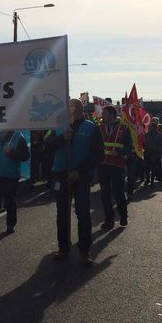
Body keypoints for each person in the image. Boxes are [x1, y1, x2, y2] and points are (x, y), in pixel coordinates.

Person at [45, 99, 104, 266]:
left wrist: (80, 171)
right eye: (68, 104)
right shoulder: (57, 127)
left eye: (73, 104)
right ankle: (63, 247)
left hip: (81, 176)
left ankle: (85, 250)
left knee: (83, 213)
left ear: (79, 108)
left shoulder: (91, 128)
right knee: (62, 213)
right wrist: (62, 138)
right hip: (61, 175)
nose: (69, 106)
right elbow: (46, 146)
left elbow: (99, 154)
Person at [98, 105, 132, 229]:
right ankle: (109, 220)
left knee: (118, 192)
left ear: (112, 115)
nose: (103, 116)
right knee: (105, 194)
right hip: (103, 165)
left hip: (117, 165)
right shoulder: (99, 127)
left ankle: (123, 216)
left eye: (105, 114)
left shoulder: (124, 128)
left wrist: (118, 152)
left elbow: (129, 148)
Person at [144, 119, 162, 187]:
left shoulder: (159, 135)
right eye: (149, 127)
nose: (149, 128)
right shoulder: (147, 134)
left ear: (154, 127)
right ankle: (147, 179)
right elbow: (144, 143)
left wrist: (159, 154)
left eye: (150, 127)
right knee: (147, 167)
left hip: (155, 154)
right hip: (147, 153)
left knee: (154, 168)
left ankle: (152, 181)